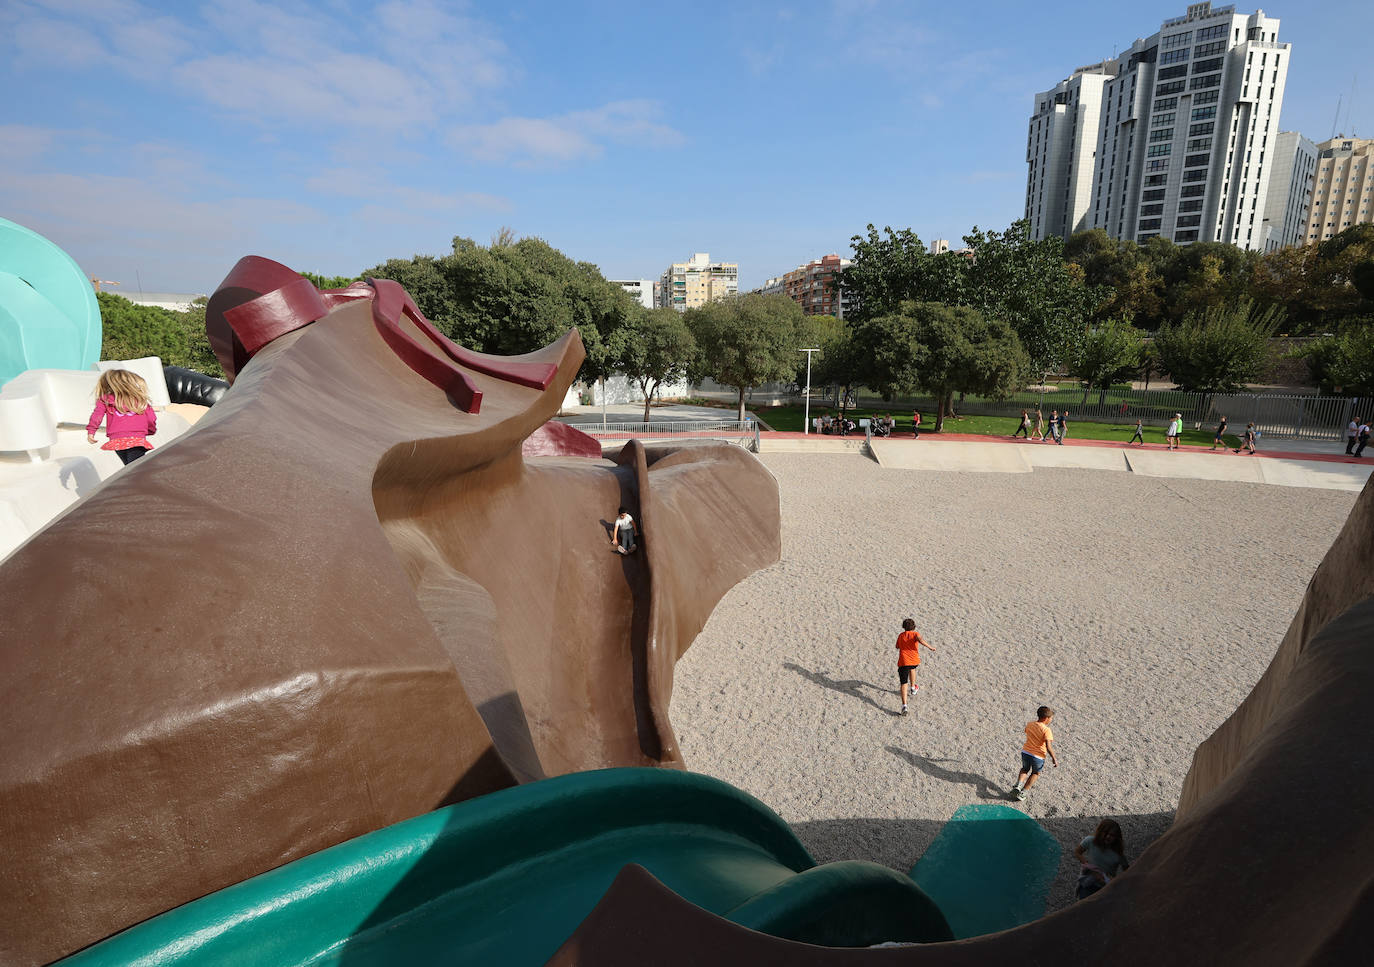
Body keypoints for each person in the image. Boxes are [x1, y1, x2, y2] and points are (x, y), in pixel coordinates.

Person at [86, 369, 157, 465]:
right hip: (137, 439)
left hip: (117, 440)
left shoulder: (105, 400)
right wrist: (151, 430)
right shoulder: (140, 400)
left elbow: (97, 416)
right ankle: (137, 479)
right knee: (135, 467)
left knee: (129, 466)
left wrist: (91, 431)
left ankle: (133, 479)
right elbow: (151, 418)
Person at [1073, 819, 1130, 900]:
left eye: (1112, 835)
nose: (1108, 837)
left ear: (1117, 837)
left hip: (1106, 888)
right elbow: (1077, 852)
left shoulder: (1118, 854)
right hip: (1089, 884)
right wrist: (1089, 866)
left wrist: (1113, 880)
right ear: (1100, 831)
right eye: (1105, 833)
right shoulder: (1090, 841)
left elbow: (1127, 870)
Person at [1011, 705, 1057, 800]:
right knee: (1035, 773)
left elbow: (1027, 732)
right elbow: (1048, 747)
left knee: (1024, 769)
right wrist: (1054, 758)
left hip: (1025, 752)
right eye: (1051, 718)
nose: (1051, 720)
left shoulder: (1029, 724)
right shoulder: (1047, 730)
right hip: (1038, 756)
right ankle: (1023, 792)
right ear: (1046, 718)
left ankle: (1018, 785)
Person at [894, 617, 934, 715]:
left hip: (903, 661)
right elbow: (921, 640)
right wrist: (930, 647)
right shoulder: (916, 634)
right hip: (913, 660)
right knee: (912, 669)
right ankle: (913, 688)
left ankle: (904, 706)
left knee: (903, 683)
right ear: (914, 627)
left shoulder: (901, 635)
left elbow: (897, 646)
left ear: (904, 627)